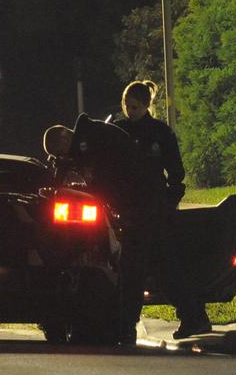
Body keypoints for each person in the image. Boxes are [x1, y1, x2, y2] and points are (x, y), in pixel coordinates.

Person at [115, 80, 211, 339]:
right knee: (142, 269)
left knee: (150, 269)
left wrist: (167, 202)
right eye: (127, 106)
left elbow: (176, 173)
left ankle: (130, 326)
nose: (130, 111)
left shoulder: (159, 133)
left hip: (152, 212)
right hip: (127, 211)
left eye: (134, 106)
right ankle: (191, 316)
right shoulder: (117, 131)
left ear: (146, 105)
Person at [43, 113, 150, 345]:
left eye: (61, 152)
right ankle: (126, 326)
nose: (64, 157)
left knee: (132, 267)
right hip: (138, 202)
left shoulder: (89, 143)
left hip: (139, 205)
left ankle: (127, 327)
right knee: (134, 266)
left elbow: (100, 182)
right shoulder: (93, 136)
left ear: (64, 137)